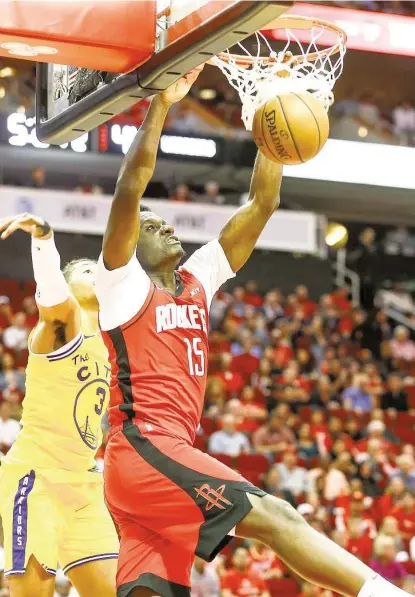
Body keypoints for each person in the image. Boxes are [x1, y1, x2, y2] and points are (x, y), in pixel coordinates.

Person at [95, 68, 411, 597]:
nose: (165, 226)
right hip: (144, 450)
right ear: (132, 244)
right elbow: (132, 184)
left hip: (153, 467)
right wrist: (163, 104)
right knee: (278, 516)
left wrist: (271, 123)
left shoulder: (198, 280)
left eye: (165, 221)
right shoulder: (120, 285)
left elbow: (261, 203)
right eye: (151, 226)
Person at [0, 214, 118, 597]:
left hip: (85, 483)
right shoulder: (61, 324)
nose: (95, 271)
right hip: (37, 479)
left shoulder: (113, 341)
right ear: (69, 286)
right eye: (87, 269)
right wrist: (43, 239)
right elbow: (50, 292)